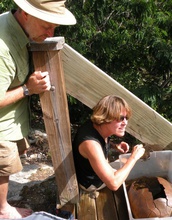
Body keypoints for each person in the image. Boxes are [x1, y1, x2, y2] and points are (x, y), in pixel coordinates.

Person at [0, 0, 76, 219]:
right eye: (46, 26)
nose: (50, 33)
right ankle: (2, 211)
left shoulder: (15, 25)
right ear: (25, 13)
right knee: (3, 167)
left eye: (54, 27)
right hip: (1, 126)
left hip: (10, 118)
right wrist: (27, 89)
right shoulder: (2, 49)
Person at [72, 95, 145, 196]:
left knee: (126, 168)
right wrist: (133, 158)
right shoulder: (90, 144)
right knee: (132, 175)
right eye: (121, 118)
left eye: (126, 118)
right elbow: (114, 184)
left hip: (92, 172)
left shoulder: (97, 126)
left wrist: (115, 146)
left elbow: (99, 143)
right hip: (91, 184)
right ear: (106, 117)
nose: (125, 123)